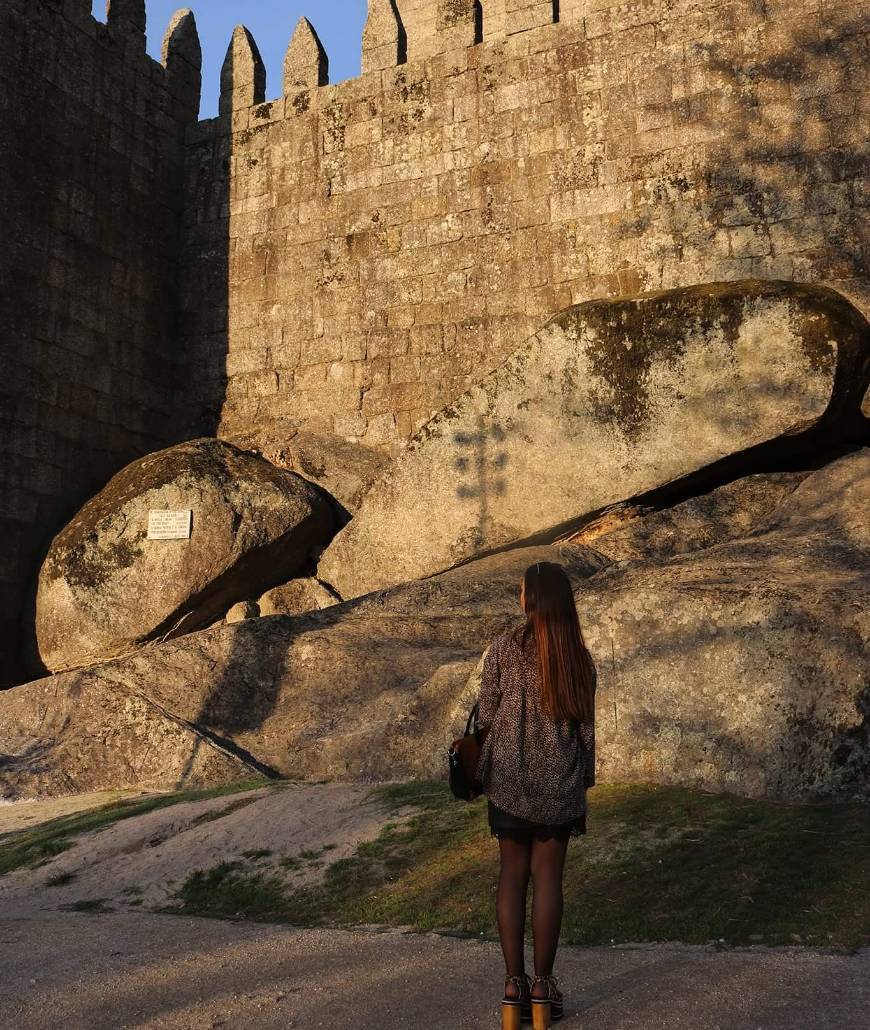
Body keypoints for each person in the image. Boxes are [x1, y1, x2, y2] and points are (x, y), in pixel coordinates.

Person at [475, 560, 596, 1029]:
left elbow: (486, 715)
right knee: (548, 880)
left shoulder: (503, 649)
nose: (519, 598)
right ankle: (543, 989)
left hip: (509, 776)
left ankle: (513, 987)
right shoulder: (578, 657)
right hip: (558, 782)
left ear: (531, 600)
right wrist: (582, 781)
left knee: (512, 875)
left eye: (522, 591)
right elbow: (586, 731)